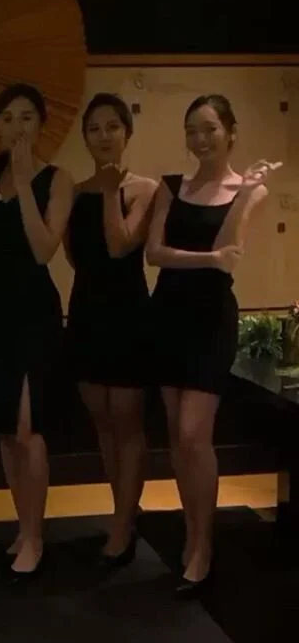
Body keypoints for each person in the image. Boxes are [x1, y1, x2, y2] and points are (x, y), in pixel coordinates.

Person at [146, 94, 280, 596]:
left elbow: (229, 254)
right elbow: (155, 253)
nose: (200, 140)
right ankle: (191, 530)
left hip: (210, 321)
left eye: (209, 129)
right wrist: (205, 259)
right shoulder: (171, 186)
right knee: (176, 439)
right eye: (192, 131)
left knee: (193, 435)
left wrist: (242, 195)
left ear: (230, 132)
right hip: (167, 316)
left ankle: (203, 544)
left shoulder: (251, 191)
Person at [0, 84, 73, 580]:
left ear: (41, 124)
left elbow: (43, 248)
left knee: (30, 430)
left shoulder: (57, 178)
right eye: (8, 118)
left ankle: (35, 534)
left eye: (27, 117)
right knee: (7, 432)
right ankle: (22, 524)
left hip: (33, 310)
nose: (17, 127)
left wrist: (27, 183)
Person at [64, 93, 157, 566]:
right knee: (101, 419)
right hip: (86, 309)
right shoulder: (74, 191)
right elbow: (74, 256)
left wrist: (108, 192)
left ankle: (122, 524)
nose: (103, 136)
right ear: (85, 136)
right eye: (94, 128)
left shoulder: (145, 189)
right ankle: (124, 507)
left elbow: (119, 246)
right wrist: (96, 189)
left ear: (127, 132)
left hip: (128, 312)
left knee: (127, 419)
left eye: (112, 127)